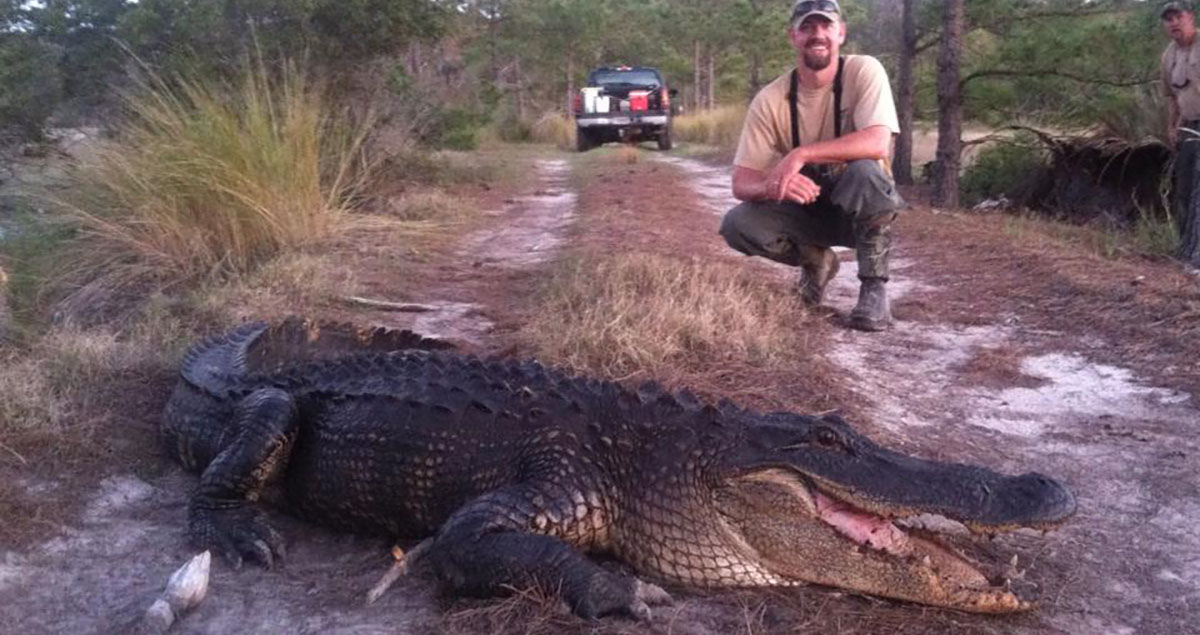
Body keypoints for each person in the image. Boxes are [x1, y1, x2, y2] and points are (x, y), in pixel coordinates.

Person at [719, 0, 903, 331]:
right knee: (737, 224)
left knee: (865, 170)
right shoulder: (770, 99)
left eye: (826, 26)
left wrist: (799, 155)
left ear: (841, 33)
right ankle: (817, 262)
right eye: (807, 27)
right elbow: (741, 183)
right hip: (806, 208)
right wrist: (774, 185)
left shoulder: (864, 70)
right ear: (793, 37)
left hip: (858, 209)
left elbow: (878, 142)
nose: (817, 35)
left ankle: (874, 289)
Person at [1161, 1, 1200, 266]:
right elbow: (1171, 97)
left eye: (1178, 16)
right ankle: (1187, 250)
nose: (1174, 22)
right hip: (1189, 128)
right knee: (1184, 190)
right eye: (1168, 19)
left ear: (1191, 17)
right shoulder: (1168, 55)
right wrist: (1171, 126)